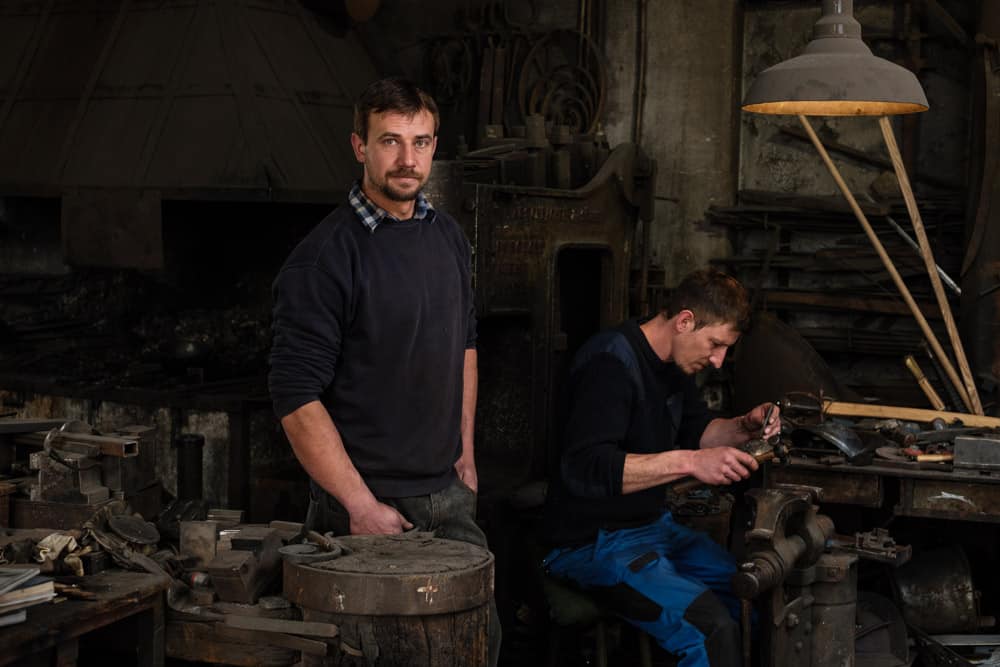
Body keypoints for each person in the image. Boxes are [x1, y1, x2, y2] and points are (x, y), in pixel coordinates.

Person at [268, 76, 499, 665]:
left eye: (421, 142)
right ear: (359, 147)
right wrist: (360, 506)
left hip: (447, 497)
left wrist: (465, 452)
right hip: (369, 509)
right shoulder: (325, 258)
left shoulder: (447, 237)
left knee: (479, 646)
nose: (407, 159)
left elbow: (465, 344)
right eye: (391, 141)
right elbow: (295, 397)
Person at [540, 268, 779, 667]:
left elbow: (699, 431)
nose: (718, 362)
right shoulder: (609, 362)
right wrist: (691, 462)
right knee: (710, 629)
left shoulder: (675, 365)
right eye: (715, 344)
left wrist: (744, 426)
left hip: (653, 530)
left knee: (753, 597)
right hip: (590, 543)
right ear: (685, 321)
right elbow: (587, 468)